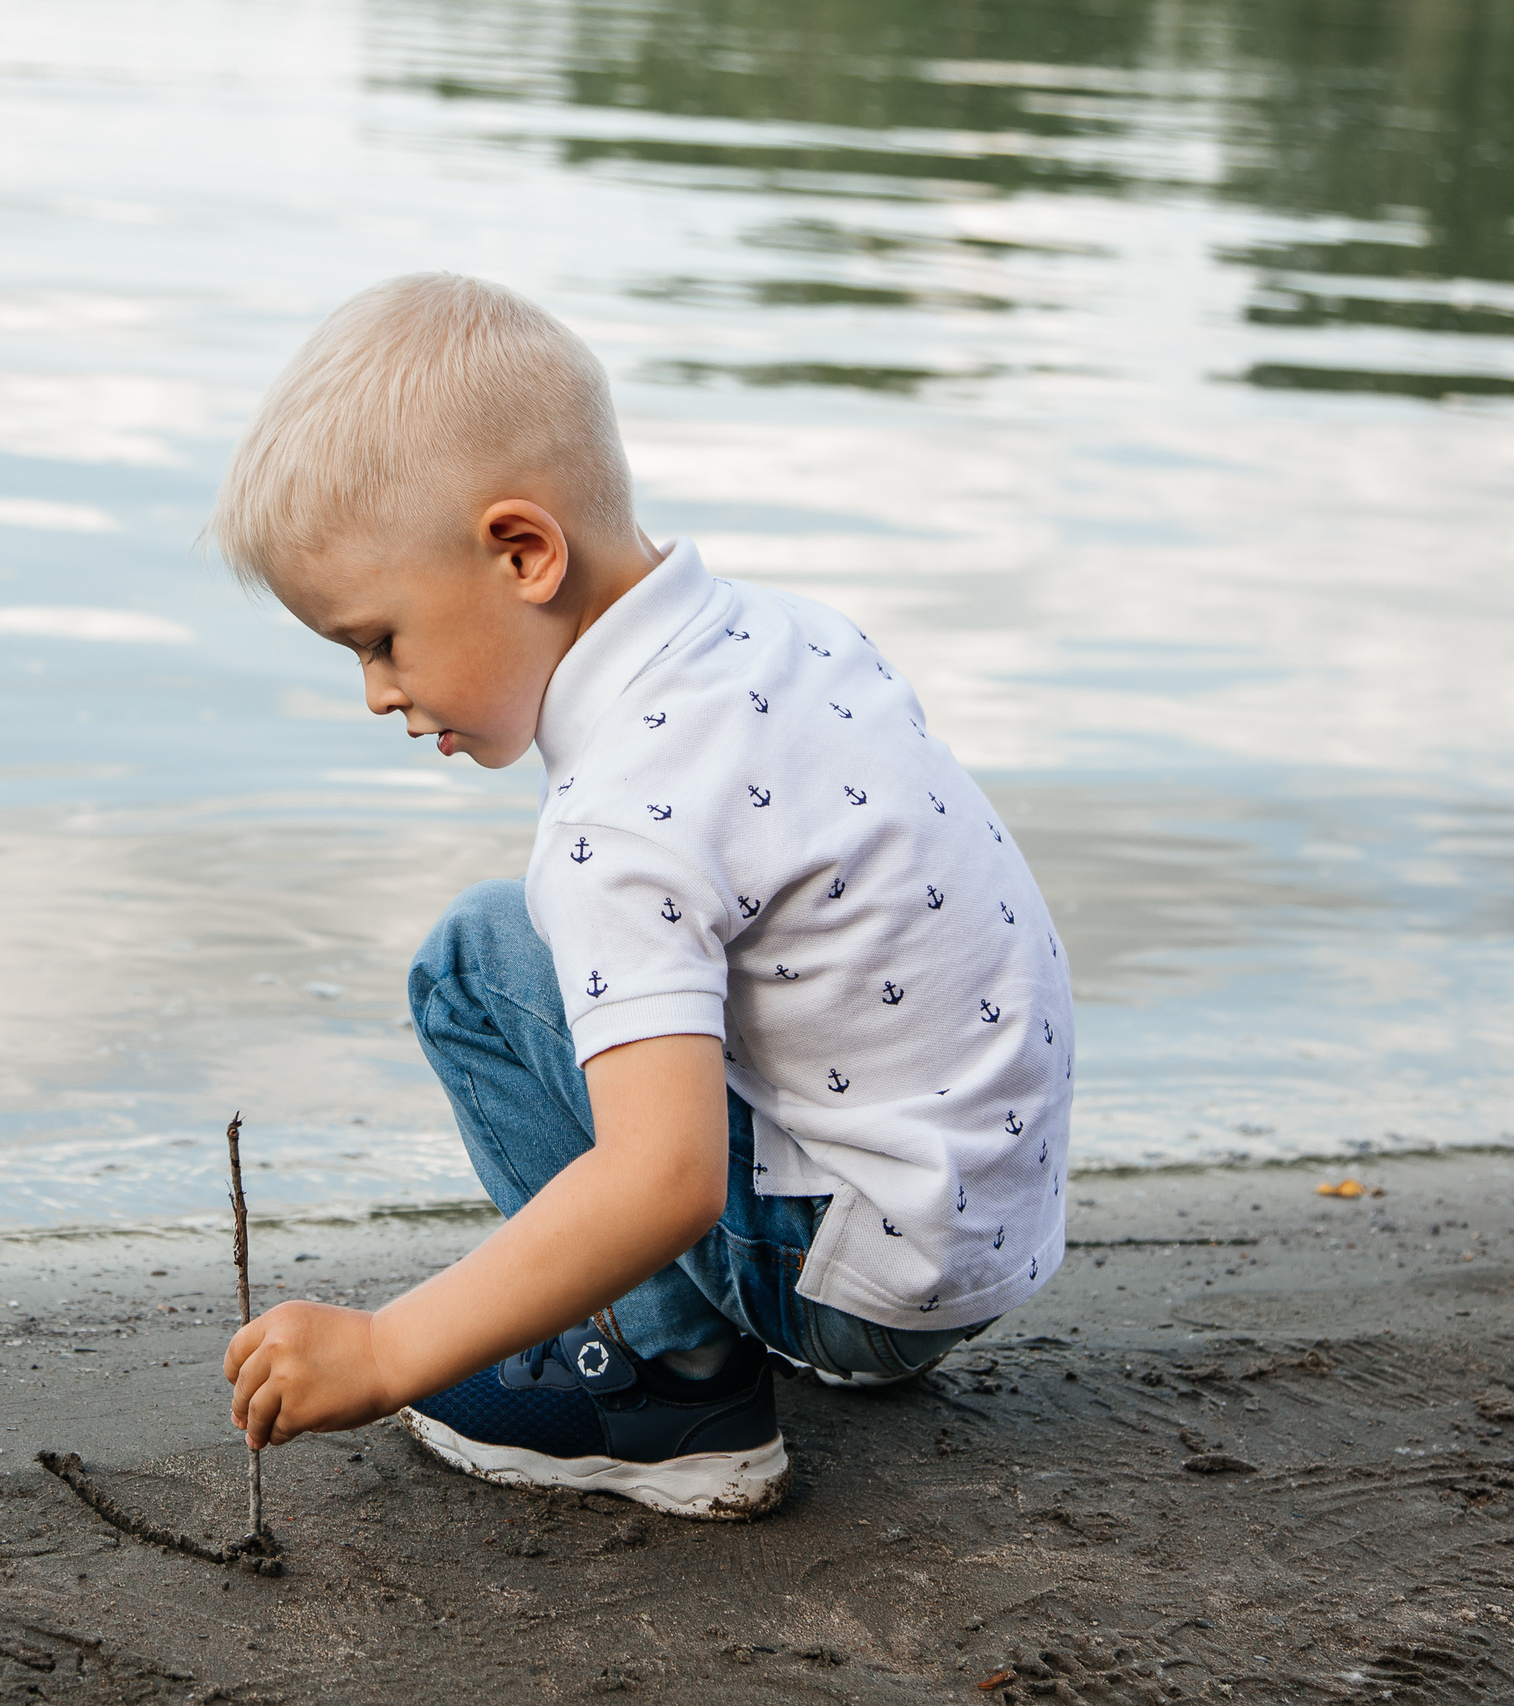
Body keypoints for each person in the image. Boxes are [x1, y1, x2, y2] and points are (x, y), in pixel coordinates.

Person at [211, 273, 1072, 1518]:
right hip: (978, 1234)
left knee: (473, 961)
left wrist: (390, 1347)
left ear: (522, 551)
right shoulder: (793, 639)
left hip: (854, 1286)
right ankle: (785, 1308)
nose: (376, 694)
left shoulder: (617, 818)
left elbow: (660, 1179)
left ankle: (674, 1391)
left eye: (379, 638)